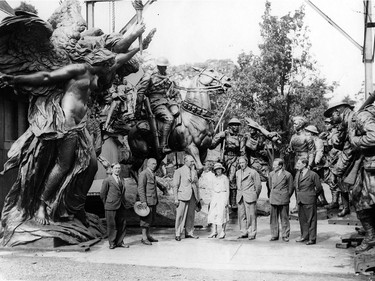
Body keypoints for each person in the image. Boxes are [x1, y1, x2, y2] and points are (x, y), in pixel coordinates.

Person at [0, 48, 128, 226]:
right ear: (99, 61)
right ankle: (42, 204)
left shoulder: (97, 74)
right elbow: (47, 77)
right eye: (107, 64)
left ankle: (77, 207)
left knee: (91, 167)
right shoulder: (78, 69)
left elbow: (120, 60)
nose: (110, 67)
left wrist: (136, 39)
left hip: (82, 124)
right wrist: (16, 79)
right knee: (63, 165)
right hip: (66, 122)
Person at [325, 101, 375, 252]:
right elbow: (342, 148)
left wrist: (355, 141)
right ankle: (370, 232)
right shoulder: (349, 123)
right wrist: (341, 132)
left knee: (367, 200)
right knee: (359, 199)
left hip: (372, 166)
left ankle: (371, 236)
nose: (331, 119)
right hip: (366, 165)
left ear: (339, 111)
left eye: (331, 115)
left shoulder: (360, 117)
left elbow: (373, 137)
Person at [135, 56, 179, 154]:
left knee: (178, 113)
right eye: (163, 66)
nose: (165, 68)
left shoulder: (168, 76)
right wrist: (137, 110)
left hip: (166, 101)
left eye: (166, 66)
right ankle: (163, 146)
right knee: (169, 119)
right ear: (158, 66)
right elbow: (140, 92)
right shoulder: (149, 75)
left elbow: (174, 91)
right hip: (154, 102)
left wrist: (177, 99)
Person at [210, 117, 246, 209]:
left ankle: (233, 202)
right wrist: (213, 135)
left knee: (231, 179)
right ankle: (221, 200)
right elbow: (212, 145)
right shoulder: (224, 134)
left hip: (235, 159)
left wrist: (241, 161)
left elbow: (242, 151)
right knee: (221, 179)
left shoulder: (241, 137)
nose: (236, 127)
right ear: (230, 126)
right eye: (234, 125)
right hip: (224, 159)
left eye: (237, 125)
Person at [287, 116, 315, 213]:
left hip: (305, 161)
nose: (294, 125)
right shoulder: (293, 137)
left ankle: (308, 204)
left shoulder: (308, 136)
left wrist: (309, 165)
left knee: (306, 184)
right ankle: (298, 205)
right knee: (296, 184)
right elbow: (290, 149)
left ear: (301, 124)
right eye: (293, 123)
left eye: (295, 123)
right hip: (295, 162)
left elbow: (312, 152)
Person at [294, 158, 322, 245]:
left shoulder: (313, 174)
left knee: (311, 220)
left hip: (309, 200)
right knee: (302, 220)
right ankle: (304, 236)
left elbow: (319, 188)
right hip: (300, 200)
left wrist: (312, 196)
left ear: (305, 164)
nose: (297, 165)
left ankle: (312, 238)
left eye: (299, 163)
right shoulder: (298, 173)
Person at [100, 163, 128, 249]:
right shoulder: (107, 180)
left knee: (122, 224)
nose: (117, 170)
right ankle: (112, 243)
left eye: (119, 168)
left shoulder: (122, 179)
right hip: (111, 206)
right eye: (116, 168)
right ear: (112, 170)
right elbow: (102, 194)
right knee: (112, 225)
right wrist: (107, 204)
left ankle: (120, 242)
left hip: (121, 205)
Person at [173, 154, 200, 241]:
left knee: (191, 215)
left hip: (192, 196)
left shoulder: (194, 172)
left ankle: (189, 232)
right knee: (180, 215)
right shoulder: (179, 171)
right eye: (191, 161)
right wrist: (176, 198)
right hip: (182, 196)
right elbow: (175, 186)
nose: (193, 163)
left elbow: (196, 185)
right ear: (185, 161)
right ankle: (178, 233)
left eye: (193, 161)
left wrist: (198, 198)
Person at [137, 158, 163, 246]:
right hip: (147, 202)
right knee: (145, 220)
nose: (154, 165)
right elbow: (141, 188)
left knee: (150, 220)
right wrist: (143, 201)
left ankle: (148, 235)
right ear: (148, 164)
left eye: (155, 164)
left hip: (153, 200)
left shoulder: (152, 173)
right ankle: (144, 238)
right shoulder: (143, 174)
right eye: (152, 163)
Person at [236, 156, 262, 240]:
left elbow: (258, 186)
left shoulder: (253, 172)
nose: (241, 164)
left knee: (251, 216)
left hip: (250, 196)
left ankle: (252, 232)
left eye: (243, 162)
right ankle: (243, 232)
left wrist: (254, 195)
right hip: (240, 196)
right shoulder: (238, 173)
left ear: (246, 162)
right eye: (240, 163)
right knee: (241, 215)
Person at [268, 158, 294, 242]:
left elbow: (291, 188)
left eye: (275, 165)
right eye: (273, 165)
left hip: (283, 198)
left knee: (284, 218)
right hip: (274, 198)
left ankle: (285, 235)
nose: (273, 167)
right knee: (273, 218)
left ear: (281, 166)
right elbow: (270, 186)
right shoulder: (271, 174)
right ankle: (274, 235)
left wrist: (286, 196)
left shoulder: (287, 175)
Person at [305, 125, 328, 207]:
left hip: (317, 165)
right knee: (313, 183)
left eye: (307, 132)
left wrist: (315, 162)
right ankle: (319, 200)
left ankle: (321, 200)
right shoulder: (309, 140)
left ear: (312, 133)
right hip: (311, 164)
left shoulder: (318, 140)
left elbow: (319, 152)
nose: (306, 133)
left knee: (316, 183)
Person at [207, 163, 230, 239]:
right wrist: (211, 198)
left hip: (222, 196)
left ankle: (223, 231)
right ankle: (214, 231)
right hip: (215, 196)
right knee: (213, 213)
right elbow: (211, 189)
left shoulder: (225, 178)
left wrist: (226, 200)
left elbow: (227, 190)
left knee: (222, 213)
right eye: (216, 169)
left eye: (219, 169)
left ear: (222, 170)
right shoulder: (213, 178)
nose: (218, 171)